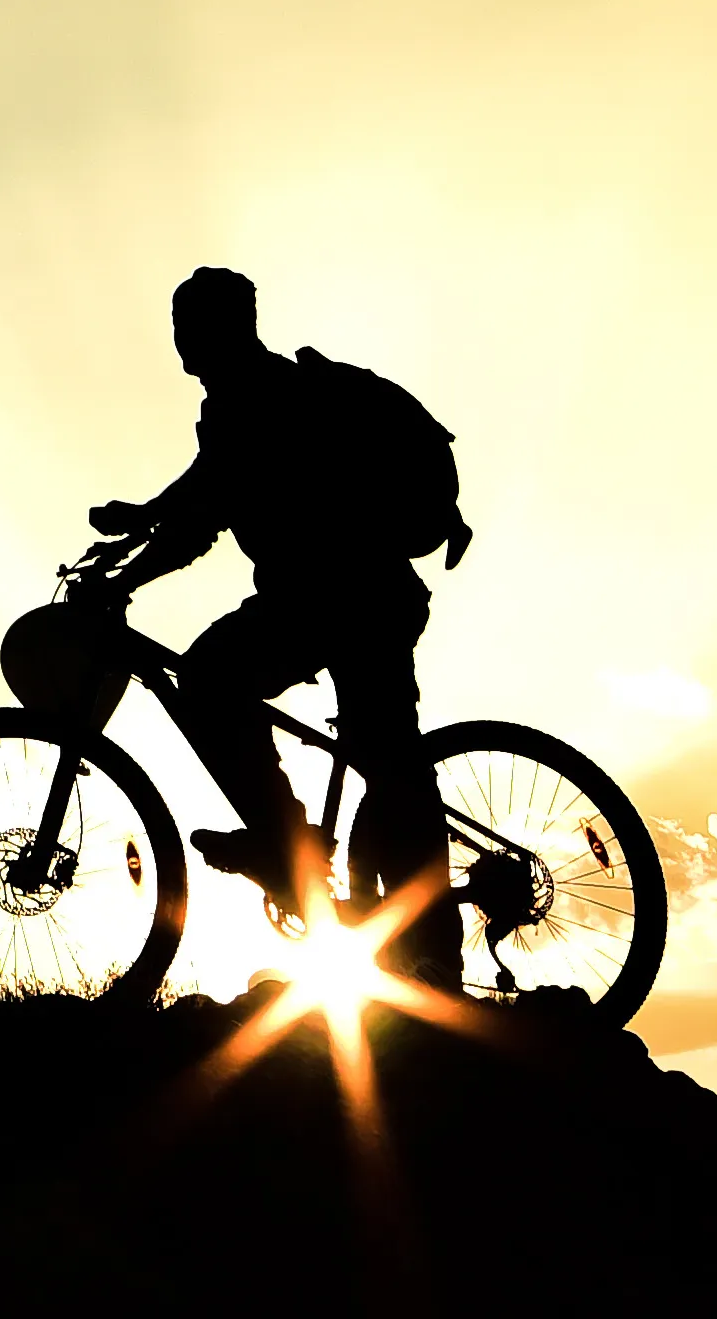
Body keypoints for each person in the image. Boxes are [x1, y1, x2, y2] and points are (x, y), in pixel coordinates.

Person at [83, 268, 473, 952]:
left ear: (229, 326)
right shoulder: (240, 404)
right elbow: (201, 494)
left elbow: (200, 515)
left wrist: (128, 573)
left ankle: (299, 854)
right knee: (385, 762)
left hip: (348, 600)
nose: (181, 338)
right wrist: (140, 527)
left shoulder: (259, 399)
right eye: (177, 323)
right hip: (340, 599)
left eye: (190, 324)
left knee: (217, 680)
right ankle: (310, 863)